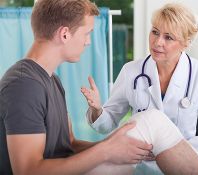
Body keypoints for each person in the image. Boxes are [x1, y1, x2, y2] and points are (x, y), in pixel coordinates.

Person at [0, 0, 152, 174]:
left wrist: (115, 147)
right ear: (65, 34)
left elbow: (69, 144)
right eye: (87, 33)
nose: (88, 42)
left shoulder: (53, 80)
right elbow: (29, 171)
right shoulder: (23, 86)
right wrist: (106, 151)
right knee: (155, 122)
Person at [81, 2, 198, 174]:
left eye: (168, 37)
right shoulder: (131, 71)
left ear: (186, 43)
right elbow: (107, 124)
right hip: (138, 166)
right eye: (155, 32)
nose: (157, 42)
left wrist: (170, 150)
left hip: (180, 166)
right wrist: (97, 110)